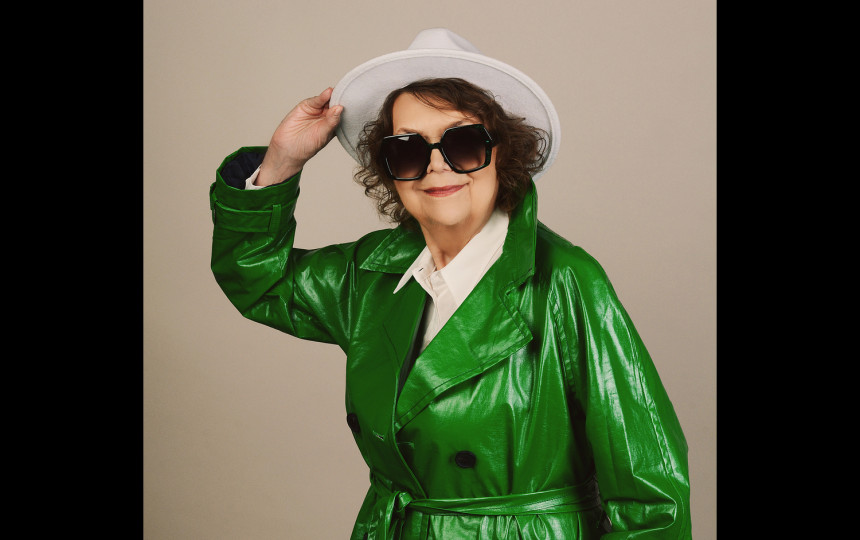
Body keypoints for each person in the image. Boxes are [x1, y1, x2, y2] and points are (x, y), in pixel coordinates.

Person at [210, 28, 691, 540]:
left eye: (463, 143)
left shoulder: (565, 281)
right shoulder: (370, 274)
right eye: (408, 150)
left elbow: (653, 494)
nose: (436, 165)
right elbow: (257, 277)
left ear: (504, 152)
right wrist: (283, 161)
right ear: (389, 170)